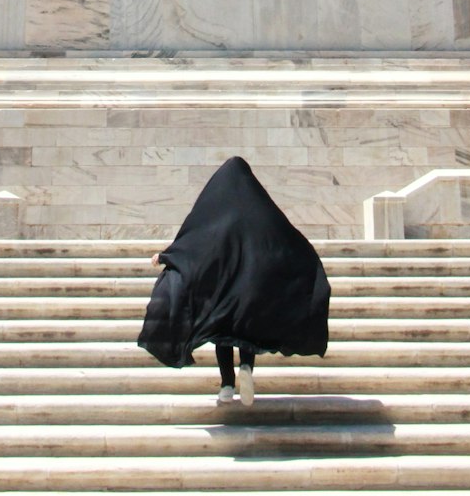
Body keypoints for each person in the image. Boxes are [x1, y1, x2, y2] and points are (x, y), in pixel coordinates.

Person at [138, 156, 331, 407]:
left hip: (222, 291)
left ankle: (227, 385)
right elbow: (283, 239)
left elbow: (195, 242)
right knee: (247, 331)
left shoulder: (216, 212)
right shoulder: (260, 210)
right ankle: (247, 367)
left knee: (222, 336)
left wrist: (167, 255)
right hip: (250, 291)